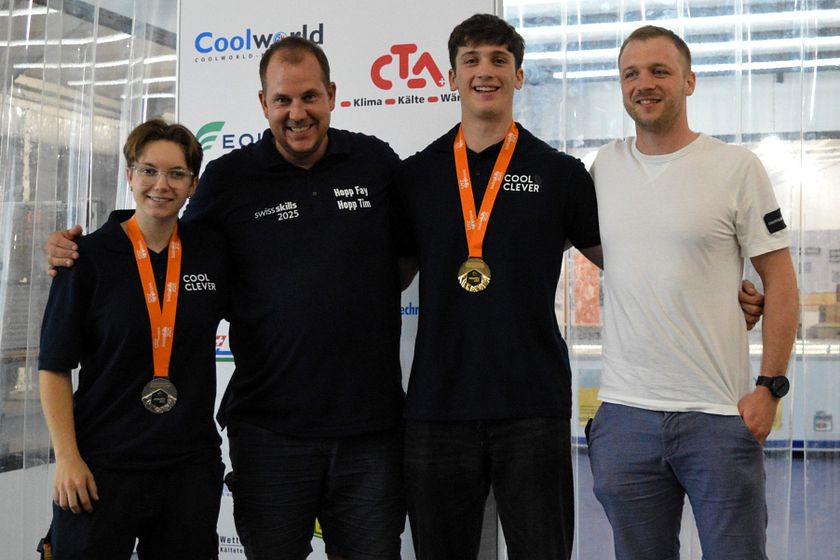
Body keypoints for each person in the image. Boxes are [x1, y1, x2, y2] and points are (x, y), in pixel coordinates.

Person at [46, 38, 405, 560]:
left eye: (309, 97)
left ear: (331, 95)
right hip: (268, 432)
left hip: (369, 430)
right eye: (282, 100)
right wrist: (77, 251)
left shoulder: (374, 161)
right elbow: (163, 244)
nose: (297, 113)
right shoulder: (230, 179)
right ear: (263, 103)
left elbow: (417, 248)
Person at [587, 25, 799, 560]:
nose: (644, 83)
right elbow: (632, 261)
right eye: (631, 74)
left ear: (689, 81)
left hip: (719, 415)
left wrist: (770, 388)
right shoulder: (603, 167)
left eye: (660, 71)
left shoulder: (736, 168)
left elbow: (780, 282)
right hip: (626, 417)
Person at [395, 14, 602, 559]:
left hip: (531, 402)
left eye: (498, 60)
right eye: (471, 60)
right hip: (439, 405)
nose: (484, 71)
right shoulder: (416, 176)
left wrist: (724, 290)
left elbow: (627, 266)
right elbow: (380, 280)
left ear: (519, 76)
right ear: (451, 77)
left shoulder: (560, 174)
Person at [38, 119, 228, 559]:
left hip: (187, 467)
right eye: (148, 170)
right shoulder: (85, 258)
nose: (161, 184)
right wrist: (67, 457)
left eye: (176, 173)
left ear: (193, 185)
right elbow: (53, 366)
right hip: (101, 466)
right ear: (129, 176)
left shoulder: (213, 254)